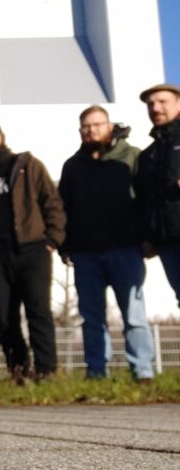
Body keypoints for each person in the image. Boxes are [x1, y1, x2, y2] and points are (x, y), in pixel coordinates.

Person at [60, 106, 153, 382]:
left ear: (110, 126)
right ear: (80, 131)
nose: (91, 130)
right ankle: (96, 372)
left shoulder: (131, 157)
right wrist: (66, 245)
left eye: (97, 125)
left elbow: (147, 199)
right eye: (86, 127)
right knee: (91, 319)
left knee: (134, 316)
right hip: (86, 254)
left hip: (126, 249)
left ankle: (143, 372)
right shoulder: (72, 166)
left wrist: (148, 237)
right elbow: (63, 206)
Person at [0, 115, 65, 384]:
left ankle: (47, 371)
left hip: (33, 250)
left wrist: (52, 240)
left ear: (1, 135)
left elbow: (52, 201)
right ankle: (19, 371)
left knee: (38, 312)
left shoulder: (27, 165)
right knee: (3, 317)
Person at [134, 83, 180, 306]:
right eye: (151, 104)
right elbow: (145, 200)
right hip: (167, 242)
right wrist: (149, 237)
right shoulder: (148, 156)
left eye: (162, 102)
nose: (156, 108)